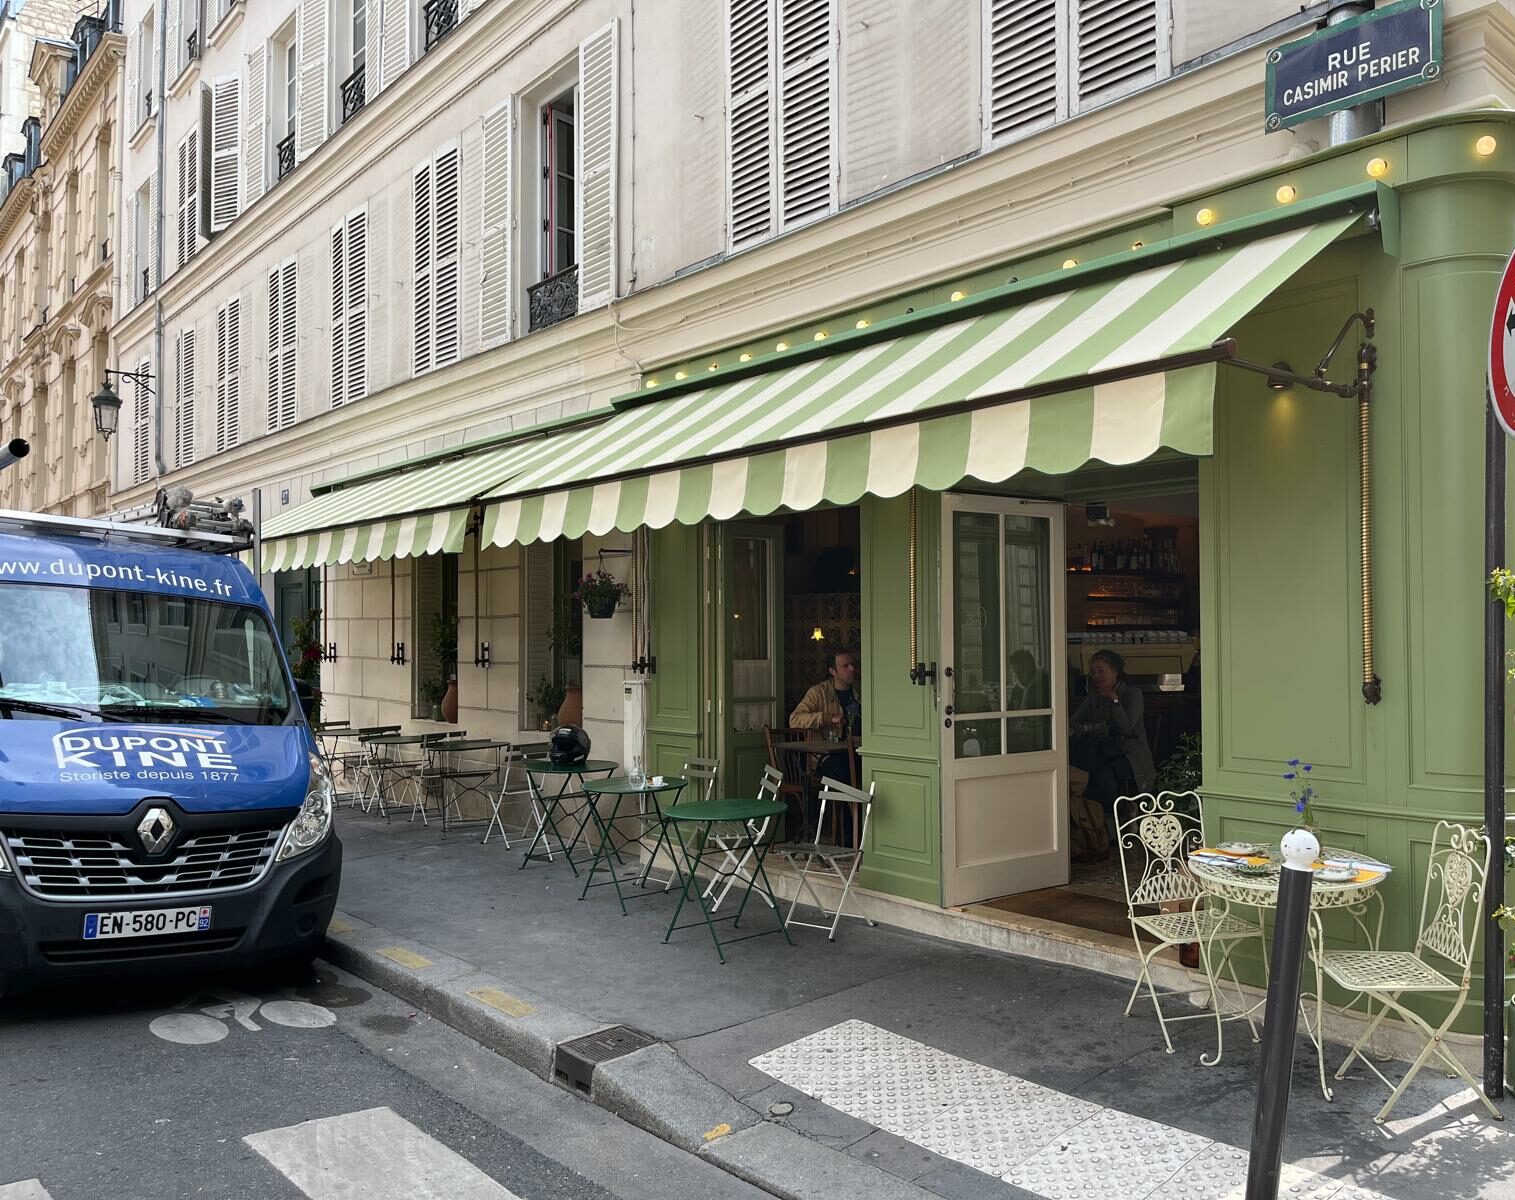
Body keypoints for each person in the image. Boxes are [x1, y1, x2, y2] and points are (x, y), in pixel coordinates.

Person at [1069, 649, 1155, 839]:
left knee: (1102, 776)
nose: (1096, 676)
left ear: (1115, 671)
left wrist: (1114, 700)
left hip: (1128, 756)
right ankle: (1097, 824)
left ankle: (1117, 820)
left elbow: (1126, 728)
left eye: (1101, 671)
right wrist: (1095, 728)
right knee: (1083, 772)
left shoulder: (1132, 694)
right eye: (1093, 672)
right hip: (1099, 752)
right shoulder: (1094, 697)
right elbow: (1074, 722)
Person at [788, 649, 862, 840]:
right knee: (847, 780)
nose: (852, 669)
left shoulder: (861, 691)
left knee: (870, 776)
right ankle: (847, 839)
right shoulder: (818, 693)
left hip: (859, 752)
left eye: (852, 664)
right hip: (824, 758)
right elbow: (795, 719)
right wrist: (827, 718)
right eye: (845, 666)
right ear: (832, 671)